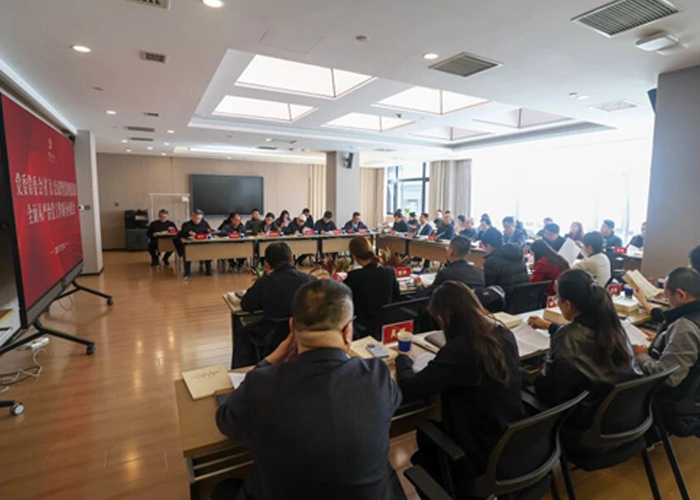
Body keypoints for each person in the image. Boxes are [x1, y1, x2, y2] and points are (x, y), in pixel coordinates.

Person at [216, 280, 406, 500]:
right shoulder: (377, 376)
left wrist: (268, 362)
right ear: (348, 331)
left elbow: (225, 420)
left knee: (226, 488)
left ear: (291, 328)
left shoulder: (261, 384)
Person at [396, 281, 525, 493]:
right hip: (510, 439)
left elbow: (410, 388)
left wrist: (403, 360)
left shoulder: (461, 349)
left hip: (476, 450)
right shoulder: (502, 333)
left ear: (445, 315)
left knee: (426, 438)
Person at [529, 269, 641, 430]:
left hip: (584, 423)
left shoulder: (567, 337)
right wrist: (552, 327)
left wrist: (542, 368)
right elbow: (586, 336)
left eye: (557, 299)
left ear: (568, 305)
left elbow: (549, 391)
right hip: (623, 415)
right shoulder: (613, 326)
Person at [234, 242, 315, 367]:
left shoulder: (265, 282)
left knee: (243, 330)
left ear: (267, 264)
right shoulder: (310, 280)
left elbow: (246, 305)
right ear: (292, 259)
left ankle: (243, 370)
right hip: (306, 334)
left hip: (273, 336)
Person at [633, 267, 700, 388]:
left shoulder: (684, 327)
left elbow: (669, 377)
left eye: (667, 296)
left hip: (665, 393)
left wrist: (641, 356)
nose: (666, 300)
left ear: (681, 295)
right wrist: (663, 337)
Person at [343, 236, 400, 339]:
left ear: (354, 256)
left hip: (363, 325)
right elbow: (397, 295)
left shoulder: (355, 276)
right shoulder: (389, 271)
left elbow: (344, 301)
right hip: (386, 324)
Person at [414, 236, 485, 293]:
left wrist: (419, 286)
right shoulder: (479, 272)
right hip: (470, 306)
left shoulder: (445, 273)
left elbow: (427, 296)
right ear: (468, 253)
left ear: (450, 251)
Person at [175, 209, 213, 279]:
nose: (196, 220)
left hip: (202, 244)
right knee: (187, 253)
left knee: (208, 250)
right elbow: (180, 234)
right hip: (190, 244)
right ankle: (187, 273)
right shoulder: (186, 224)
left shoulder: (204, 223)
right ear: (192, 217)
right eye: (195, 218)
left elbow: (208, 232)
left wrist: (209, 232)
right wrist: (188, 232)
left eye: (199, 218)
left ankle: (208, 271)